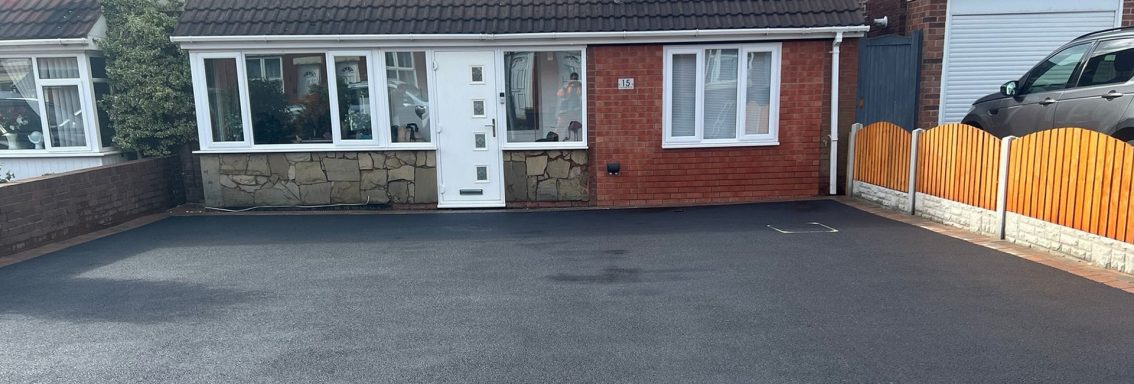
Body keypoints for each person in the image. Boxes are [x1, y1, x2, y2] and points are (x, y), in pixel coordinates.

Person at [556, 72, 582, 141]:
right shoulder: (566, 86)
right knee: (560, 126)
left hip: (575, 110)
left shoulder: (579, 86)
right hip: (565, 109)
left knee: (574, 127)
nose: (574, 81)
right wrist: (568, 86)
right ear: (570, 79)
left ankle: (575, 140)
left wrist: (578, 86)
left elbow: (580, 94)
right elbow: (559, 94)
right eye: (573, 79)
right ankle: (556, 140)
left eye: (575, 79)